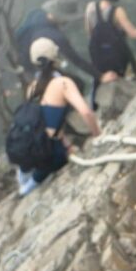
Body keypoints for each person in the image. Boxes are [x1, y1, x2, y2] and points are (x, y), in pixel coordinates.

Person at [17, 37, 101, 196]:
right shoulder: (63, 83)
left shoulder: (31, 88)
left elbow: (42, 124)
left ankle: (27, 184)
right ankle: (30, 186)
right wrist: (98, 136)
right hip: (54, 155)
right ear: (55, 57)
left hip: (36, 152)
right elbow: (86, 112)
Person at [15, 0, 98, 81]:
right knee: (77, 82)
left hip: (22, 61)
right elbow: (76, 60)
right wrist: (99, 75)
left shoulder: (36, 13)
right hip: (33, 71)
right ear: (62, 16)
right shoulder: (54, 36)